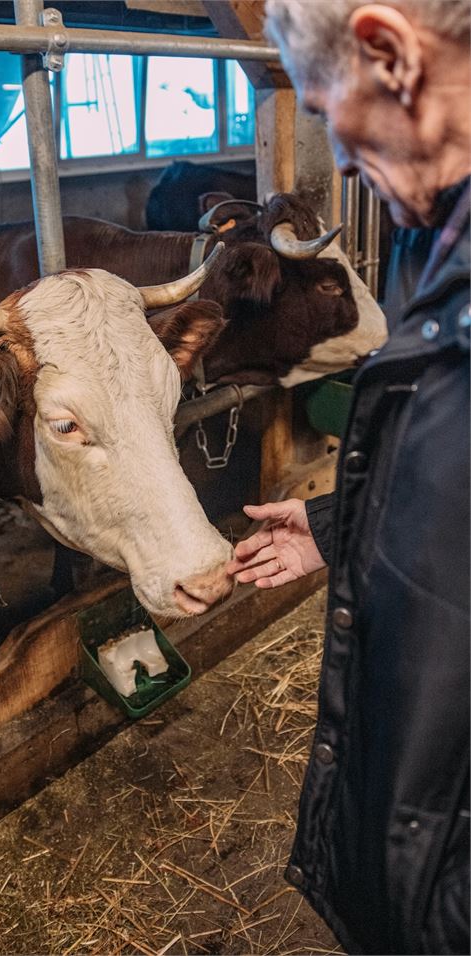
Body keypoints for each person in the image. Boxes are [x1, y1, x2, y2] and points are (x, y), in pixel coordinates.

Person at [227, 2, 470, 953]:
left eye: (322, 107)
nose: (333, 150)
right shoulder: (436, 230)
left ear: (388, 53)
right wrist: (339, 525)